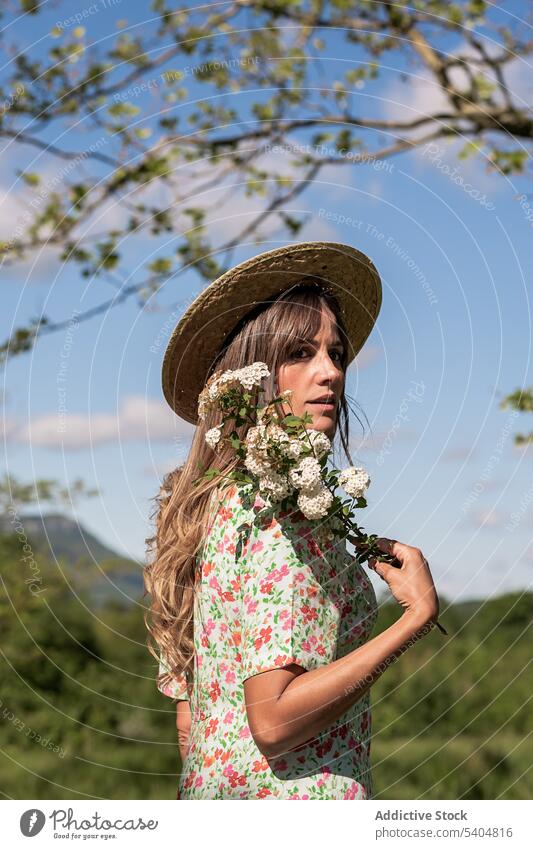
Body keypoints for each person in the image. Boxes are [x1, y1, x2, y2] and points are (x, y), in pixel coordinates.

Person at [144, 241, 440, 800]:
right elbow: (274, 723)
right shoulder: (278, 509)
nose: (329, 372)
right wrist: (414, 619)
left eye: (336, 353)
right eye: (300, 352)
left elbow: (192, 727)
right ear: (250, 375)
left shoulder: (204, 512)